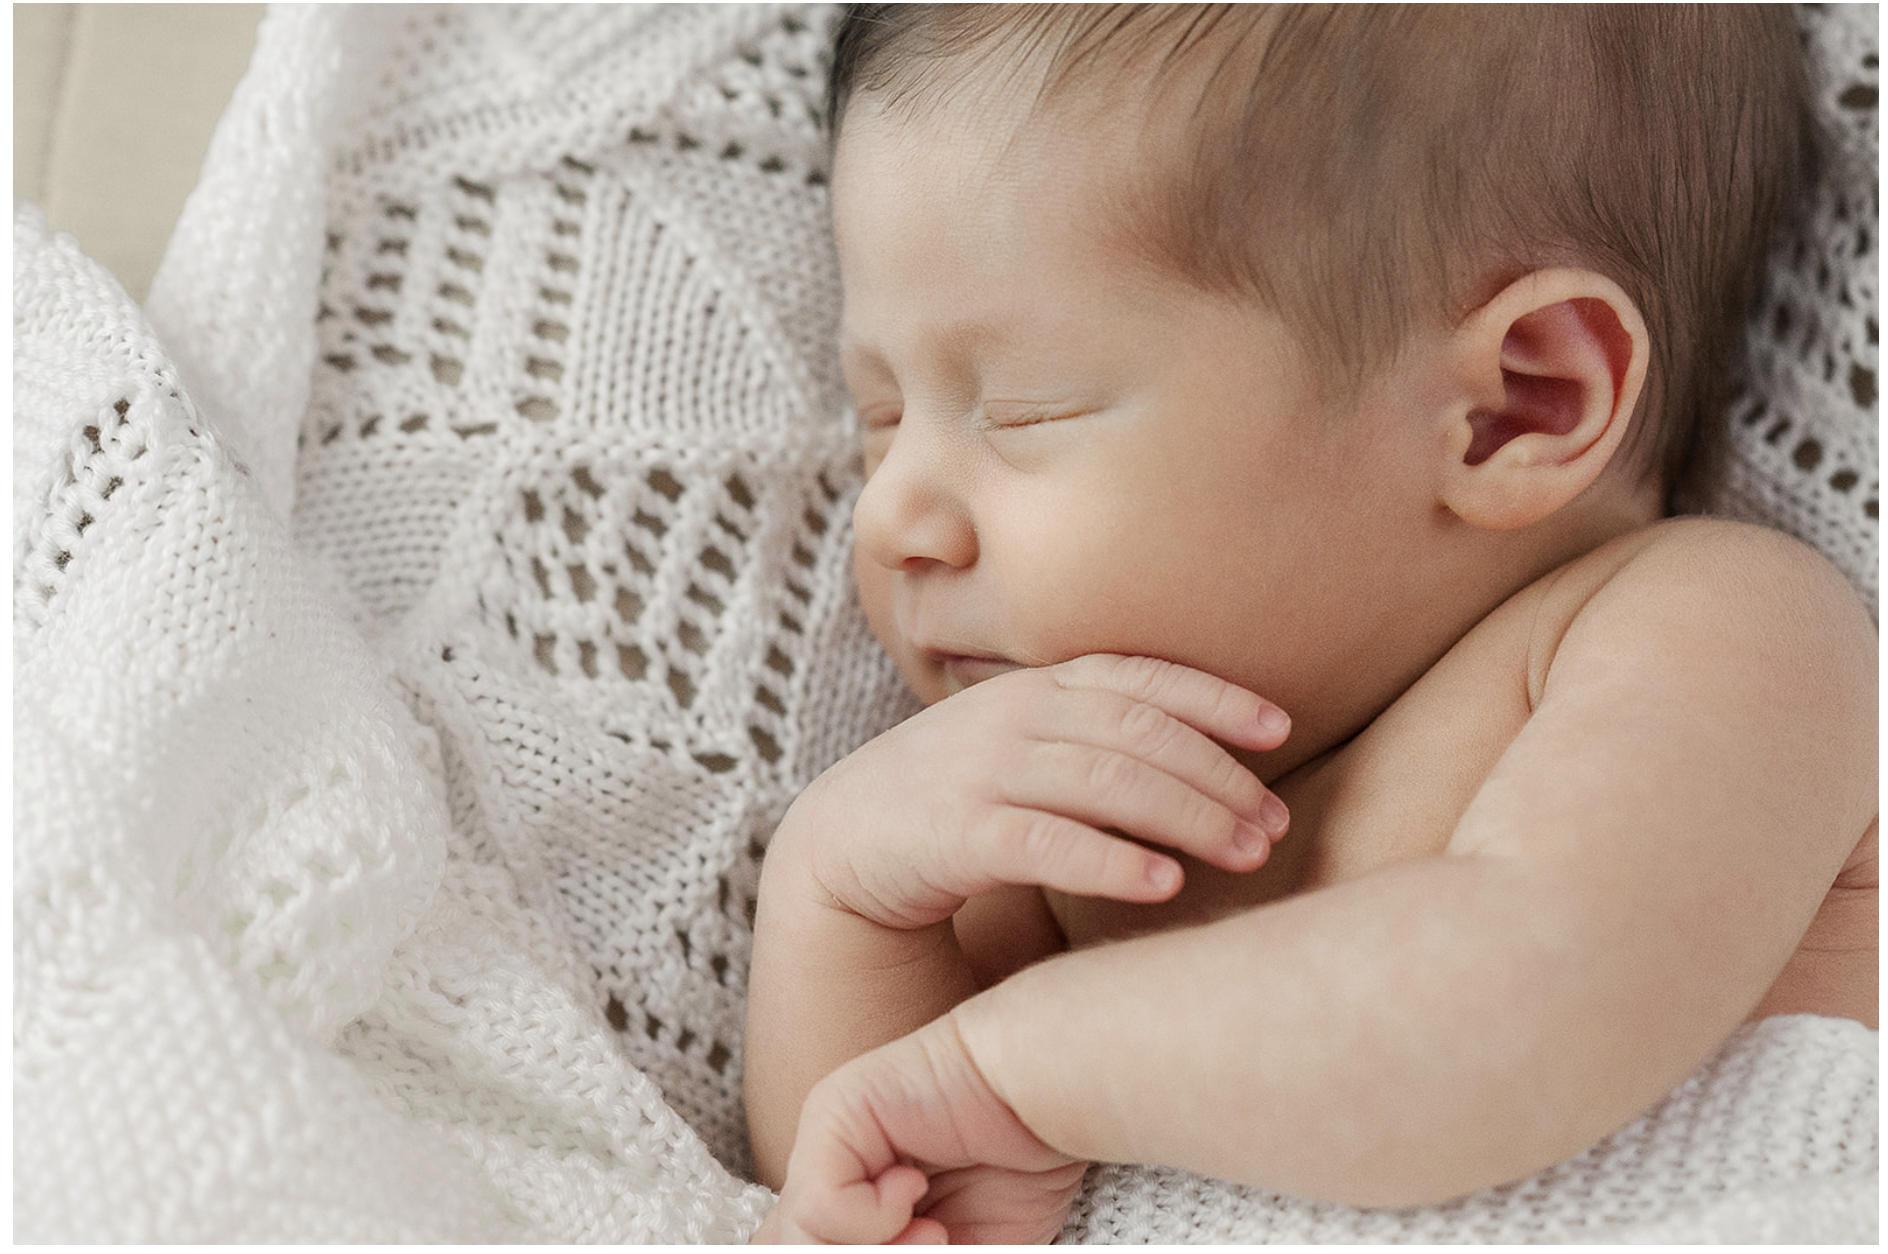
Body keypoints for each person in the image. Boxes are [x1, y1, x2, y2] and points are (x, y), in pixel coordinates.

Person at [742, 4, 1878, 1243]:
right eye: (877, 417)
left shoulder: (1711, 633)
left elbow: (1520, 1009)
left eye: (1023, 408)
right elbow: (880, 1182)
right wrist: (839, 905)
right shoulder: (1058, 830)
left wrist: (1006, 1072)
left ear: (1513, 407)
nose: (892, 515)